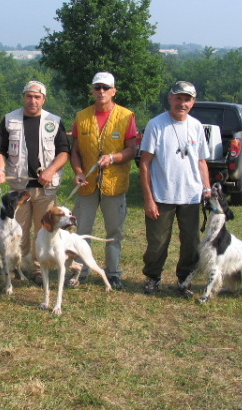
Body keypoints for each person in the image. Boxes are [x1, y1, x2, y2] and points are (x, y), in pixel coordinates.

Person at [0, 81, 70, 283]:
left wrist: (51, 170)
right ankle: (18, 267)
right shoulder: (9, 120)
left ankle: (37, 269)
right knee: (18, 232)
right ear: (23, 97)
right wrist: (0, 169)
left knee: (43, 230)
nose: (32, 100)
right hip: (19, 190)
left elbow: (64, 152)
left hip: (46, 189)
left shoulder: (54, 121)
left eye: (37, 97)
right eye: (29, 96)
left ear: (44, 99)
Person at [139, 80, 212, 297]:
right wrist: (149, 199)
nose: (182, 103)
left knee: (191, 242)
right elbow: (145, 163)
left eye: (187, 99)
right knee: (157, 242)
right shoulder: (156, 124)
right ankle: (153, 278)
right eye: (178, 98)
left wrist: (206, 189)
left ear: (193, 102)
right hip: (162, 195)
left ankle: (184, 281)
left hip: (190, 196)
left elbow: (201, 161)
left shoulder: (197, 126)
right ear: (170, 98)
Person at [70, 72, 138, 290]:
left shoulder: (127, 116)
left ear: (113, 91)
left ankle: (113, 272)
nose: (101, 91)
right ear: (92, 90)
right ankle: (80, 271)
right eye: (97, 87)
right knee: (81, 231)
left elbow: (132, 149)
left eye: (105, 88)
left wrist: (114, 158)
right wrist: (79, 171)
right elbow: (75, 150)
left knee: (114, 232)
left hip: (114, 183)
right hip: (87, 184)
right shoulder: (81, 116)